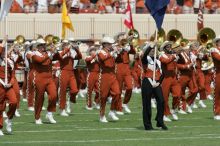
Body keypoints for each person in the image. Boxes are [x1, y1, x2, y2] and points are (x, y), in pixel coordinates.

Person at [141, 42, 168, 130]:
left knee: (161, 101)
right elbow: (144, 56)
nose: (153, 51)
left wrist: (159, 82)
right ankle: (148, 125)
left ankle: (160, 121)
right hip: (147, 82)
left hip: (156, 83)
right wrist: (150, 46)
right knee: (147, 104)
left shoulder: (158, 61)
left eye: (154, 50)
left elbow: (163, 73)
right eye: (151, 50)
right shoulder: (145, 59)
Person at [31, 39, 57, 124]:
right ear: (37, 46)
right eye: (41, 45)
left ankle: (49, 113)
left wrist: (54, 49)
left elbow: (56, 57)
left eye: (44, 45)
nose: (43, 47)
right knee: (39, 99)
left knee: (53, 95)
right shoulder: (34, 54)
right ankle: (37, 117)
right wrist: (49, 53)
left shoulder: (47, 53)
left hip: (49, 78)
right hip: (39, 78)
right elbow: (40, 60)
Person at [97, 36, 120, 123]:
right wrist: (112, 53)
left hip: (112, 75)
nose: (111, 46)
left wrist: (117, 53)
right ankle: (102, 115)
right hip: (104, 76)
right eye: (109, 44)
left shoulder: (110, 52)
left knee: (117, 93)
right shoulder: (100, 51)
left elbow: (116, 61)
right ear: (104, 44)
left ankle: (111, 111)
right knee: (103, 97)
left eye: (111, 44)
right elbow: (103, 58)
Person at [159, 41, 181, 122]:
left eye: (170, 46)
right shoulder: (162, 55)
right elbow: (165, 61)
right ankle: (165, 114)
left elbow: (175, 66)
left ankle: (174, 109)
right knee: (165, 97)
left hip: (174, 77)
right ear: (164, 48)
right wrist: (174, 57)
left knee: (177, 94)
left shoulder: (172, 55)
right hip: (166, 78)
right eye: (168, 47)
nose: (170, 48)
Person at [0, 38, 18, 136]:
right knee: (0, 107)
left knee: (14, 102)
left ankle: (9, 119)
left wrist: (11, 83)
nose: (3, 52)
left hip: (8, 86)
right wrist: (4, 41)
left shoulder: (10, 61)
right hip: (0, 85)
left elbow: (12, 75)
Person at [211, 35, 220, 120]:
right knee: (217, 94)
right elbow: (218, 58)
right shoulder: (214, 50)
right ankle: (216, 113)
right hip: (218, 73)